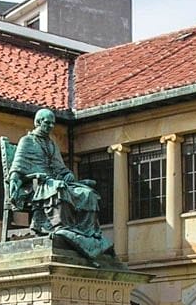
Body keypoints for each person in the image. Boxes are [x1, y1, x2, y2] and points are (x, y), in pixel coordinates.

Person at [7, 108, 116, 265]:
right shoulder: (27, 141)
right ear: (38, 122)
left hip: (53, 181)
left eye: (52, 123)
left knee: (87, 193)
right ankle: (58, 226)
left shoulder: (52, 145)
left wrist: (67, 174)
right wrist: (14, 181)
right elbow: (17, 167)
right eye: (47, 123)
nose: (51, 126)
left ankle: (85, 232)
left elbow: (60, 168)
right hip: (34, 185)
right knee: (58, 187)